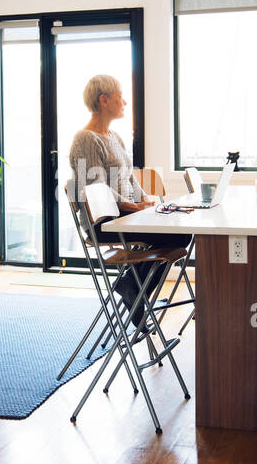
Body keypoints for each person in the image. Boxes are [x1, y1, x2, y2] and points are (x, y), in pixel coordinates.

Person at [68, 74, 189, 329]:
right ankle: (135, 290)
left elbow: (129, 179)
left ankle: (133, 288)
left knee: (181, 233)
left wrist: (147, 200)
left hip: (126, 216)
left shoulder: (114, 136)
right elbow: (96, 189)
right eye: (120, 95)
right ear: (104, 100)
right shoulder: (86, 139)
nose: (125, 101)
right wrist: (136, 207)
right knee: (177, 235)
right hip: (105, 223)